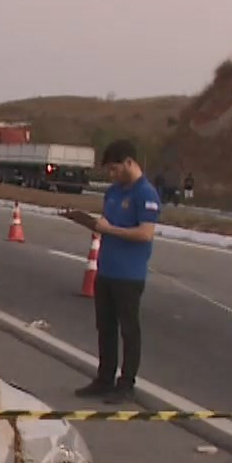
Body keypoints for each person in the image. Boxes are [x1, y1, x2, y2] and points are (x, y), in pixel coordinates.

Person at [63, 139, 159, 402]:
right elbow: (107, 224)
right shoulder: (113, 192)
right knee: (105, 327)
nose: (112, 176)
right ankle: (104, 378)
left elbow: (145, 233)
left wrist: (109, 230)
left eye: (115, 170)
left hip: (129, 274)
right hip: (106, 269)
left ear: (129, 162)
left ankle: (126, 383)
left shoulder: (146, 194)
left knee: (129, 330)